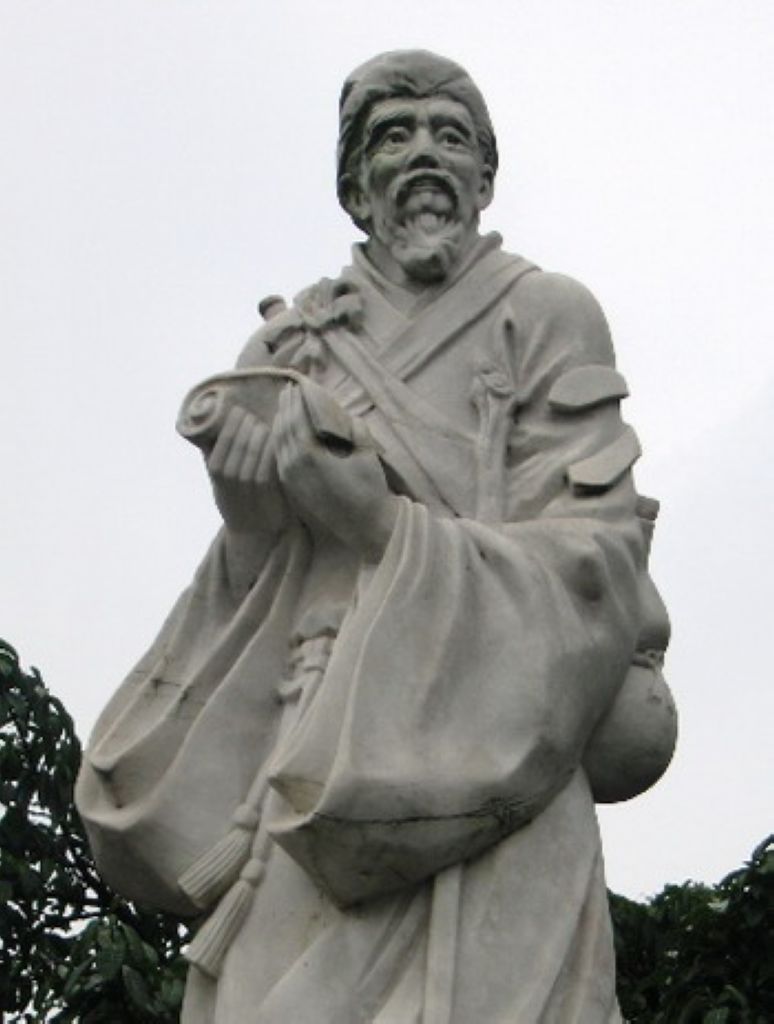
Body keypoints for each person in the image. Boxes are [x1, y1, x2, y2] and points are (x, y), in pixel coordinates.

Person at [76, 50, 675, 1022]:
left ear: (485, 176)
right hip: (317, 761)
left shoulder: (548, 315)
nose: (425, 155)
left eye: (452, 136)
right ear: (357, 187)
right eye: (394, 137)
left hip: (507, 774)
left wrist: (381, 524)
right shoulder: (293, 347)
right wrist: (249, 516)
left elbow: (597, 563)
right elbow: (257, 596)